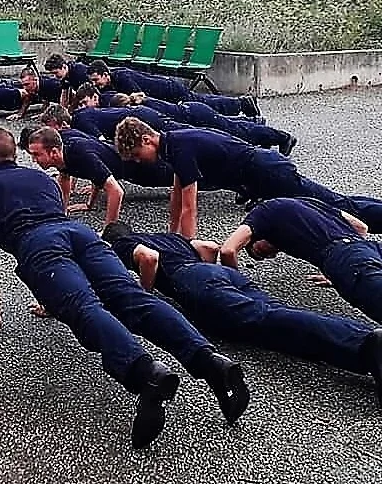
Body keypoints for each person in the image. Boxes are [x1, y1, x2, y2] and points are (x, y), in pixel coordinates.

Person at [0, 127, 250, 449]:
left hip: (39, 246)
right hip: (80, 235)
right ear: (15, 156)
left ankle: (145, 373)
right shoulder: (41, 180)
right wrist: (48, 298)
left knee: (85, 308)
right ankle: (210, 361)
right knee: (131, 297)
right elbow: (57, 229)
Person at [103, 220, 382, 408]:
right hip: (220, 273)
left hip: (193, 281)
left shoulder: (122, 245)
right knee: (277, 316)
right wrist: (212, 275)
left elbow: (149, 258)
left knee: (267, 320)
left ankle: (365, 343)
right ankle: (360, 350)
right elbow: (209, 248)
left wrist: (146, 292)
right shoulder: (168, 237)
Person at [114, 117, 382, 238]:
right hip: (261, 175)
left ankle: (358, 231)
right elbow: (176, 198)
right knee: (330, 203)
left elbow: (189, 208)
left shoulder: (180, 149)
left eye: (137, 154)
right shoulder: (173, 146)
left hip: (269, 171)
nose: (139, 161)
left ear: (147, 139)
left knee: (331, 206)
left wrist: (189, 248)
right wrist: (171, 234)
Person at [220, 197, 382, 329]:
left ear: (256, 236)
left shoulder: (262, 214)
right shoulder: (308, 203)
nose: (272, 255)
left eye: (260, 253)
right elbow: (361, 227)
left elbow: (228, 250)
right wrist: (347, 266)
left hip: (347, 257)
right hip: (371, 249)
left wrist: (238, 287)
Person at [24, 126, 174, 224]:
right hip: (125, 164)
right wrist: (62, 213)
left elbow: (116, 192)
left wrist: (109, 232)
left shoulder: (81, 156)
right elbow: (66, 179)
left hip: (144, 168)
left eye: (37, 154)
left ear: (54, 152)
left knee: (185, 177)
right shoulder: (62, 155)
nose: (33, 160)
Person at [105, 91, 297, 155]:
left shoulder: (142, 112)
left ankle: (282, 137)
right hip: (194, 113)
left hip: (196, 115)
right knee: (234, 129)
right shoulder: (141, 105)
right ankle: (256, 124)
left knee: (237, 132)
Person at [87, 60, 259, 118]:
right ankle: (241, 104)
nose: (96, 84)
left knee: (201, 103)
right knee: (201, 101)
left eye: (96, 80)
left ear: (105, 74)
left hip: (168, 90)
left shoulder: (122, 78)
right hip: (166, 90)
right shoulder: (114, 80)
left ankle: (241, 104)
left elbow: (139, 98)